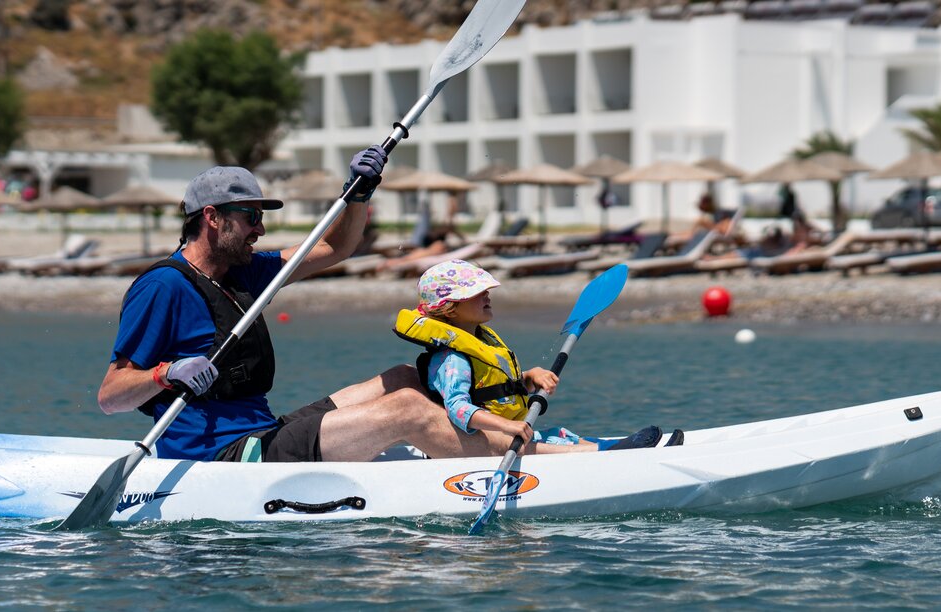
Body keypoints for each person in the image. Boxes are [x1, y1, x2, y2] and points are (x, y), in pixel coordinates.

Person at [97, 151, 554, 464]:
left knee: (403, 378)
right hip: (222, 454)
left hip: (264, 429)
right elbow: (111, 396)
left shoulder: (245, 272)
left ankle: (459, 443)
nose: (260, 228)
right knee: (407, 409)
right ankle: (537, 457)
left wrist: (358, 196)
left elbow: (336, 248)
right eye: (251, 217)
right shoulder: (163, 287)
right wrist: (166, 374)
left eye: (263, 217)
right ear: (213, 218)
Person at [396, 260, 675, 452]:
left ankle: (615, 448)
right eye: (476, 293)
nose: (487, 294)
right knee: (557, 444)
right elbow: (458, 409)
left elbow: (498, 389)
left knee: (562, 436)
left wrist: (530, 377)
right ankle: (615, 452)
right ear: (450, 308)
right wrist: (506, 425)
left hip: (516, 430)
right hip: (490, 442)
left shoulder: (482, 341)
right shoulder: (451, 359)